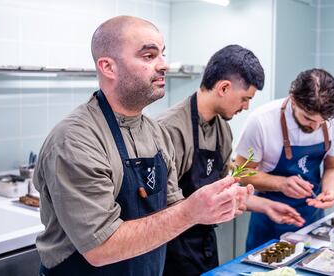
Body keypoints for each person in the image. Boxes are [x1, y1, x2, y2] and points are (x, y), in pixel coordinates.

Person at [33, 16, 249, 276]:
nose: (164, 65)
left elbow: (171, 207)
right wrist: (191, 212)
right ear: (108, 67)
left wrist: (213, 208)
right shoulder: (75, 140)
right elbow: (100, 247)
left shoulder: (156, 133)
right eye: (149, 56)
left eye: (162, 55)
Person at [157, 45, 305, 275]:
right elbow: (164, 207)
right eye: (245, 99)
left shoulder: (223, 130)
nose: (246, 107)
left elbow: (225, 186)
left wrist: (267, 206)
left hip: (204, 243)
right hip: (172, 250)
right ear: (224, 87)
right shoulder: (171, 130)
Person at [235, 68, 334, 251]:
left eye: (323, 121)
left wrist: (330, 190)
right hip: (269, 220)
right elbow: (239, 172)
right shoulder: (262, 121)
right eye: (309, 119)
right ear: (293, 100)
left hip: (312, 220)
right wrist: (281, 183)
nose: (316, 126)